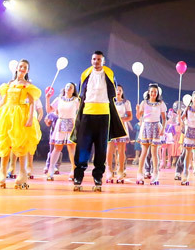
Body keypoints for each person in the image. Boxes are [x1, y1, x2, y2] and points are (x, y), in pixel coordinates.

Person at [70, 51, 128, 192]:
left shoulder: (109, 73)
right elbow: (81, 93)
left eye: (99, 59)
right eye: (94, 59)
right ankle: (78, 176)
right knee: (83, 147)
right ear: (91, 60)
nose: (96, 61)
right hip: (87, 114)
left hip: (103, 114)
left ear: (103, 61)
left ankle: (98, 177)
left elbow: (113, 90)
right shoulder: (85, 74)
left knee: (101, 148)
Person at [0, 59, 42, 189]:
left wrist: (30, 118)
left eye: (25, 67)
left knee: (20, 143)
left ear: (27, 70)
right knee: (6, 142)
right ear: (17, 68)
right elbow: (3, 100)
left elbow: (32, 103)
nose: (22, 69)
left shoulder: (28, 85)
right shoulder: (9, 84)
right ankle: (2, 171)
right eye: (21, 66)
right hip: (7, 114)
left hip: (20, 114)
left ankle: (22, 173)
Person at [44, 82, 81, 181]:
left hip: (72, 124)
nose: (68, 88)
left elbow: (82, 111)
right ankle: (51, 170)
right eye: (67, 86)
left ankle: (73, 170)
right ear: (64, 88)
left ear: (73, 90)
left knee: (71, 148)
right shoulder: (59, 99)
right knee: (57, 148)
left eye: (71, 87)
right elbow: (49, 110)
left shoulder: (76, 100)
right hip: (60, 124)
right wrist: (47, 98)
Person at [136, 84, 167, 185]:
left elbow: (164, 118)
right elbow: (139, 116)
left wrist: (163, 129)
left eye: (155, 92)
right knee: (144, 152)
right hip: (146, 126)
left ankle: (155, 174)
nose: (153, 93)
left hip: (156, 127)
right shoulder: (144, 103)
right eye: (152, 91)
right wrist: (138, 110)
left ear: (158, 93)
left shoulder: (160, 103)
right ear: (149, 92)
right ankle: (140, 173)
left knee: (154, 153)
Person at [108, 85, 133, 183]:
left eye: (120, 90)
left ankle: (120, 171)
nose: (118, 91)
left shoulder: (126, 102)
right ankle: (109, 170)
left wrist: (122, 119)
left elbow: (130, 116)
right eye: (116, 90)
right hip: (111, 126)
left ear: (122, 92)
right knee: (110, 149)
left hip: (122, 126)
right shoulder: (109, 101)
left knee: (121, 150)